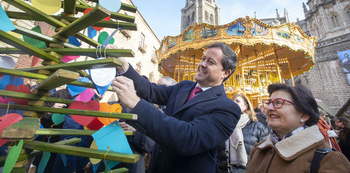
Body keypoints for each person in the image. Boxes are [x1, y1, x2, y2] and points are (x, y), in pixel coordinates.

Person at [112, 42, 241, 173]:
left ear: (225, 73)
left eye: (211, 62)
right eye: (203, 59)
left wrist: (136, 103)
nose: (202, 64)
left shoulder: (228, 108)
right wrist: (124, 66)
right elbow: (151, 90)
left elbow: (189, 138)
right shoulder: (183, 86)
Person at [245, 84, 350, 173]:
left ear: (303, 115)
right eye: (269, 102)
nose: (269, 108)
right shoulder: (258, 150)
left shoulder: (328, 160)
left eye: (278, 103)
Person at [216, 93, 269, 173]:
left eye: (237, 101)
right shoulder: (224, 126)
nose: (234, 103)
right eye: (232, 101)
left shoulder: (258, 128)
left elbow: (266, 156)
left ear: (246, 106)